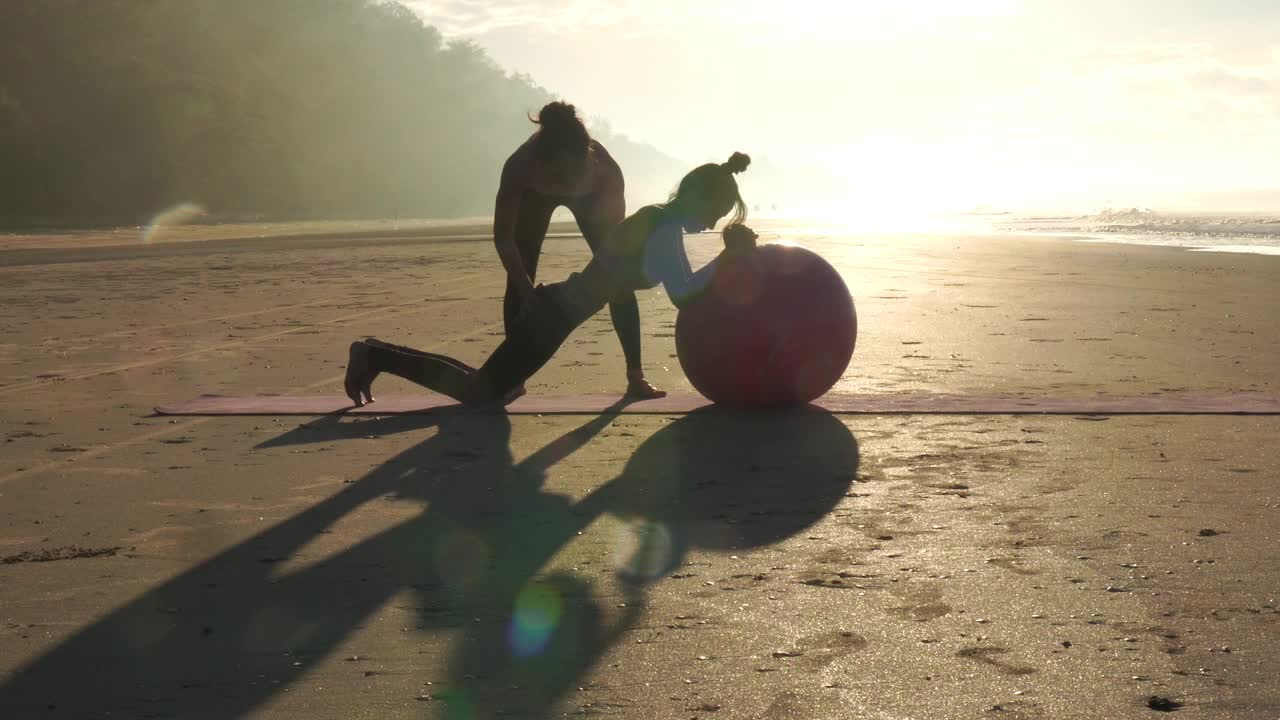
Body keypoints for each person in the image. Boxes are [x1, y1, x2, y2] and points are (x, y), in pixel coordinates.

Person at [343, 153, 756, 408]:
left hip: (557, 309)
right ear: (698, 197)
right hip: (554, 315)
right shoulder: (663, 230)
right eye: (716, 211)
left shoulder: (653, 217)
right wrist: (727, 257)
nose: (713, 222)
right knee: (481, 394)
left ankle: (376, 352)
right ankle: (374, 354)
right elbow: (683, 295)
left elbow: (623, 284)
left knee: (488, 386)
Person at [494, 101, 663, 399]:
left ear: (590, 158)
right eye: (559, 176)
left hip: (593, 199)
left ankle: (636, 376)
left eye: (575, 173)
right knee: (519, 280)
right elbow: (504, 239)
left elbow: (617, 249)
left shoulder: (606, 172)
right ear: (541, 164)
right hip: (535, 200)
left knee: (618, 280)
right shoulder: (520, 166)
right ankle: (511, 377)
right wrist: (526, 288)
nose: (567, 183)